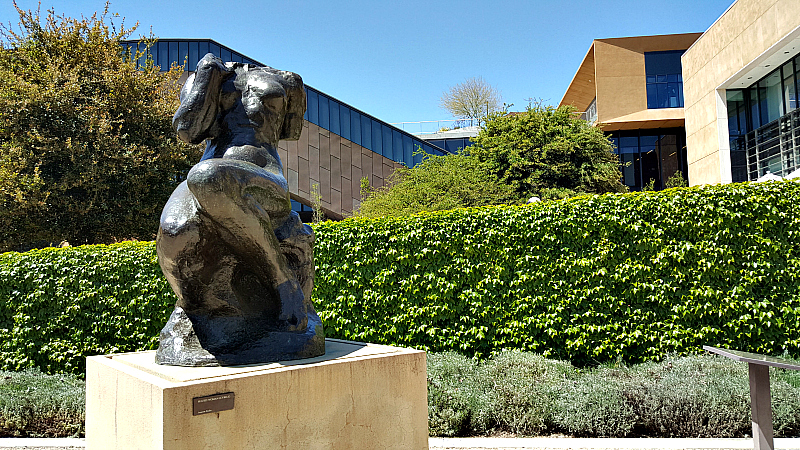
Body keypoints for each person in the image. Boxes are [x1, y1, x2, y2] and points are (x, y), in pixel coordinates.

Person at [156, 54, 324, 366]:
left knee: (207, 177)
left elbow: (289, 131)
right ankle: (199, 313)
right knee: (174, 228)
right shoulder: (205, 77)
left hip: (260, 176)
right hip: (209, 174)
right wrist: (208, 75)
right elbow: (187, 131)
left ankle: (283, 281)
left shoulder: (287, 79)